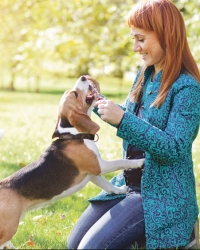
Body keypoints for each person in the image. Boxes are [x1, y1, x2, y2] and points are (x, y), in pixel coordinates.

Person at [67, 0, 200, 249]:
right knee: (73, 244)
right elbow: (131, 118)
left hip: (161, 194)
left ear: (165, 35)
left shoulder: (187, 87)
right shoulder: (145, 74)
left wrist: (123, 120)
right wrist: (98, 102)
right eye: (133, 39)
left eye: (140, 39)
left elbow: (173, 148)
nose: (135, 47)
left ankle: (186, 235)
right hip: (129, 182)